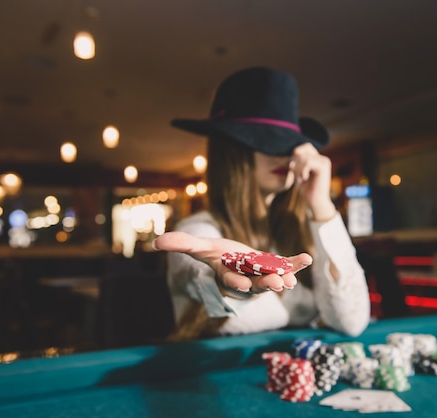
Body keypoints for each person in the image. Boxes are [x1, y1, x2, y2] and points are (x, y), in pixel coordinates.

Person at [153, 67, 370, 340]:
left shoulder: (300, 228)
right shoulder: (197, 232)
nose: (282, 155)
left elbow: (352, 322)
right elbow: (203, 280)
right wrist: (229, 282)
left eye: (288, 144)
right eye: (266, 142)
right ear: (232, 151)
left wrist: (322, 205)